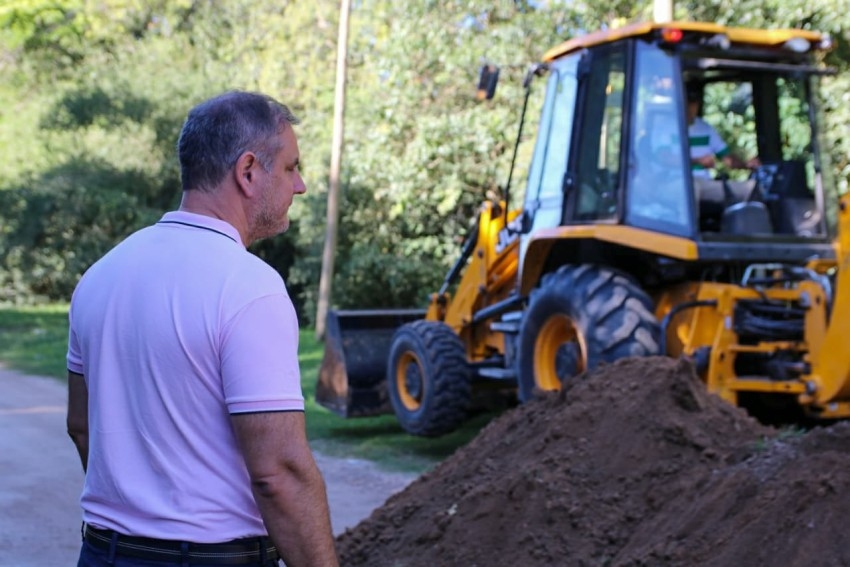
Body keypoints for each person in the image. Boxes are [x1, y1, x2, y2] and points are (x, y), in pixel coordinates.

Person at [66, 91, 339, 567]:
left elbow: (81, 426)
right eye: (293, 167)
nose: (301, 186)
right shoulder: (249, 288)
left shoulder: (100, 276)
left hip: (103, 555)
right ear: (249, 171)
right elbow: (279, 473)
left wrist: (141, 517)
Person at [687, 84, 760, 178]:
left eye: (693, 103)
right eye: (688, 103)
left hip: (705, 183)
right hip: (676, 183)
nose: (690, 108)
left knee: (747, 189)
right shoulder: (668, 127)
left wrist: (746, 164)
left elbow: (727, 158)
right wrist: (698, 161)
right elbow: (663, 158)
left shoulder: (705, 128)